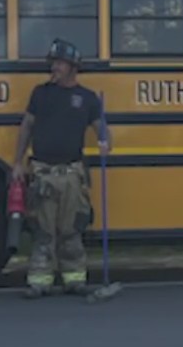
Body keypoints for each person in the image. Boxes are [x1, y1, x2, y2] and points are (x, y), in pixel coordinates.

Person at [11, 39, 111, 298]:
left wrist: (104, 141)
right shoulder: (40, 94)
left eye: (59, 63)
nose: (53, 68)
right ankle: (39, 281)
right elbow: (26, 126)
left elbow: (101, 127)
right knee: (43, 231)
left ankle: (74, 279)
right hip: (43, 173)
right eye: (53, 63)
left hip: (72, 175)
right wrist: (18, 163)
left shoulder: (87, 99)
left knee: (71, 230)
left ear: (73, 67)